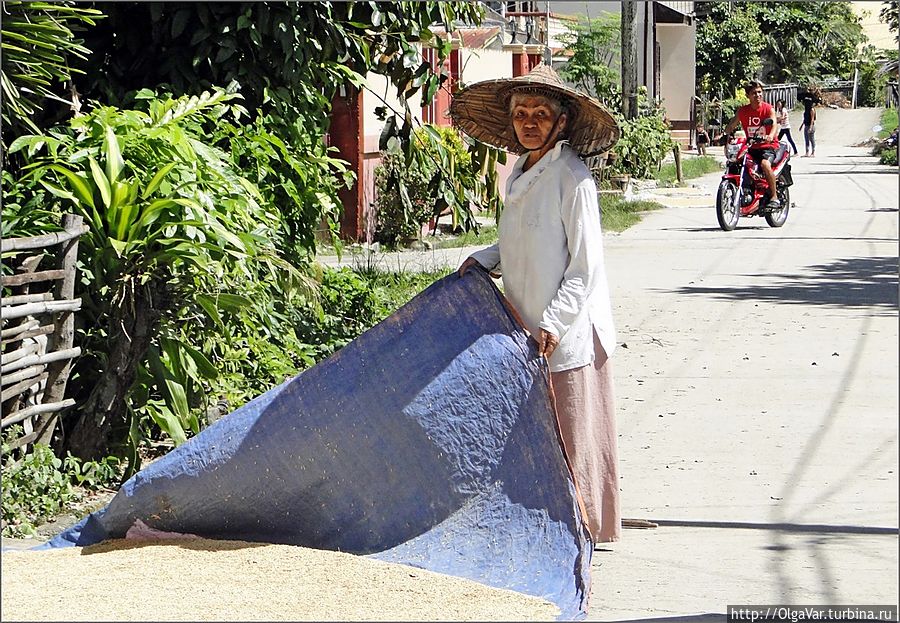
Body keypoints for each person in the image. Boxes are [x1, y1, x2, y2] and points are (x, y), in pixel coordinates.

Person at [449, 64, 621, 543]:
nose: (529, 122)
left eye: (540, 114)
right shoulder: (521, 173)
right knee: (537, 433)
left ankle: (583, 528)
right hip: (526, 321)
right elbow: (522, 241)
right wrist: (485, 259)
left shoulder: (572, 177)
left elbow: (584, 266)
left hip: (566, 329)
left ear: (560, 122)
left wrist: (555, 322)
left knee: (572, 433)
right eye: (521, 114)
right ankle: (543, 523)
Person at [724, 80, 781, 208]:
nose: (758, 95)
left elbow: (774, 124)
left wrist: (770, 136)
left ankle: (774, 196)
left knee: (765, 164)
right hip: (751, 146)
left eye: (760, 92)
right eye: (754, 93)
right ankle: (745, 191)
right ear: (748, 96)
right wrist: (723, 135)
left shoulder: (768, 109)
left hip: (768, 146)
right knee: (737, 161)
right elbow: (732, 125)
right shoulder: (743, 111)